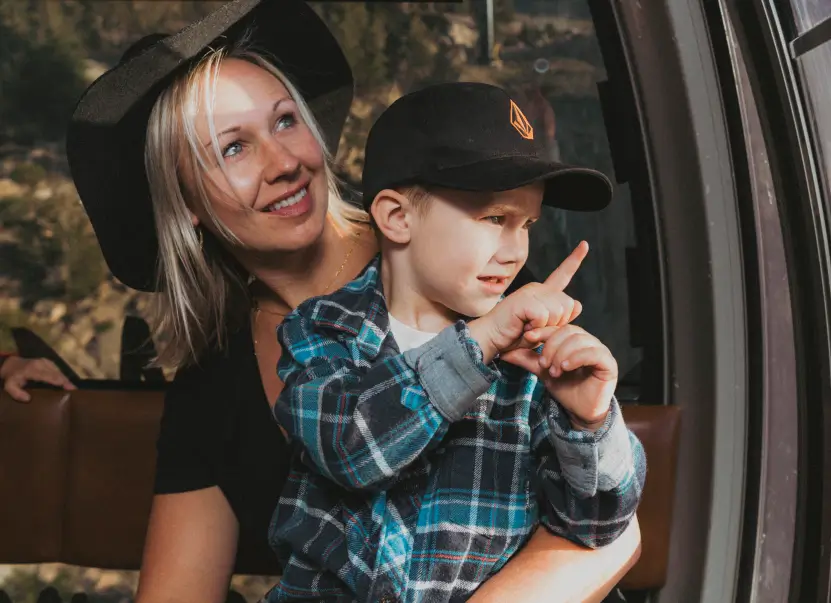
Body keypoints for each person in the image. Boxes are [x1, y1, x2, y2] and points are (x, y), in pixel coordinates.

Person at [60, 1, 641, 602]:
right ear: (185, 205)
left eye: (286, 121)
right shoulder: (215, 386)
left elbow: (610, 535)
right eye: (234, 148)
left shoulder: (469, 256)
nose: (284, 162)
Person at [268, 82, 646, 603]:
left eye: (528, 224)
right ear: (397, 217)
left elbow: (596, 528)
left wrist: (590, 425)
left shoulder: (538, 362)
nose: (516, 250)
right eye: (495, 218)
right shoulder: (321, 330)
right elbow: (352, 448)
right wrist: (481, 341)